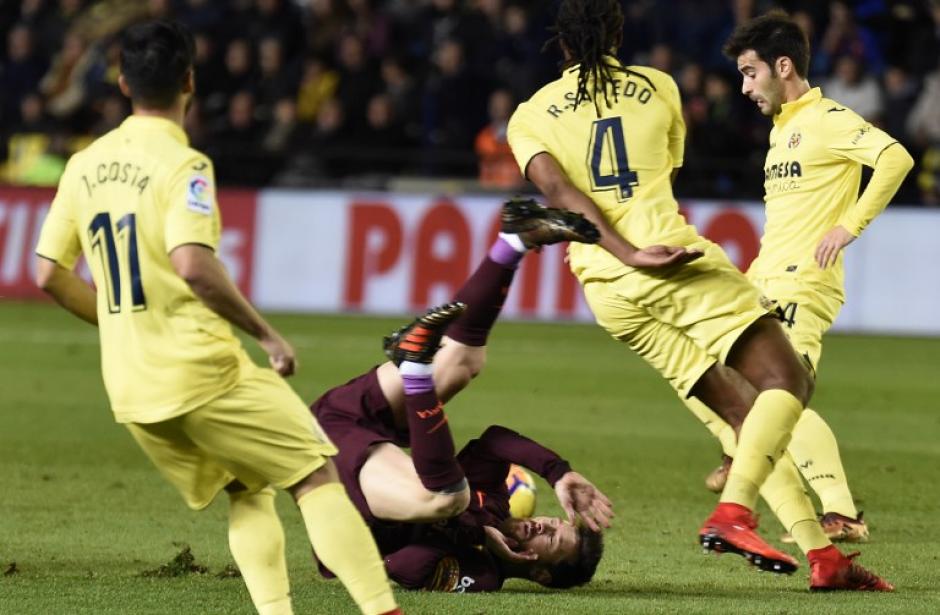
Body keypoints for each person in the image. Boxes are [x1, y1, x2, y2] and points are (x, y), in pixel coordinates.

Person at [506, 0, 892, 591]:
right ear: (617, 35)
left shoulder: (529, 115)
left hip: (601, 283)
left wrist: (616, 252)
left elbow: (559, 192)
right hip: (667, 260)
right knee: (787, 380)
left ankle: (824, 557)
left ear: (560, 45)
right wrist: (636, 249)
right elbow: (664, 172)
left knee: (742, 418)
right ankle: (734, 512)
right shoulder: (658, 87)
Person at [33, 21, 400, 615]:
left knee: (247, 487)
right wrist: (267, 334)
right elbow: (194, 265)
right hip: (201, 373)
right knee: (315, 474)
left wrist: (121, 323)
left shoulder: (83, 165)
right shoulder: (185, 165)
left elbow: (48, 273)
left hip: (132, 388)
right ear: (189, 81)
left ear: (123, 83)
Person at [685, 10, 914, 548]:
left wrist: (849, 225)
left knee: (777, 388)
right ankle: (741, 448)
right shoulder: (783, 130)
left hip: (803, 283)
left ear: (782, 66)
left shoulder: (827, 118)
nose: (745, 87)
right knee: (705, 367)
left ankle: (838, 510)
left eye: (750, 73)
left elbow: (896, 158)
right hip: (766, 280)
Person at [310, 199, 610, 591]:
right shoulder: (495, 503)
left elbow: (404, 567)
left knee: (449, 500)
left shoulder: (481, 573)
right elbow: (496, 440)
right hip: (345, 421)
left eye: (551, 539)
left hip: (342, 495)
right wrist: (558, 472)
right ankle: (514, 242)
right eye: (553, 522)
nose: (543, 525)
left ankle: (415, 367)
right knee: (463, 362)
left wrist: (478, 536)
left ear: (539, 571)